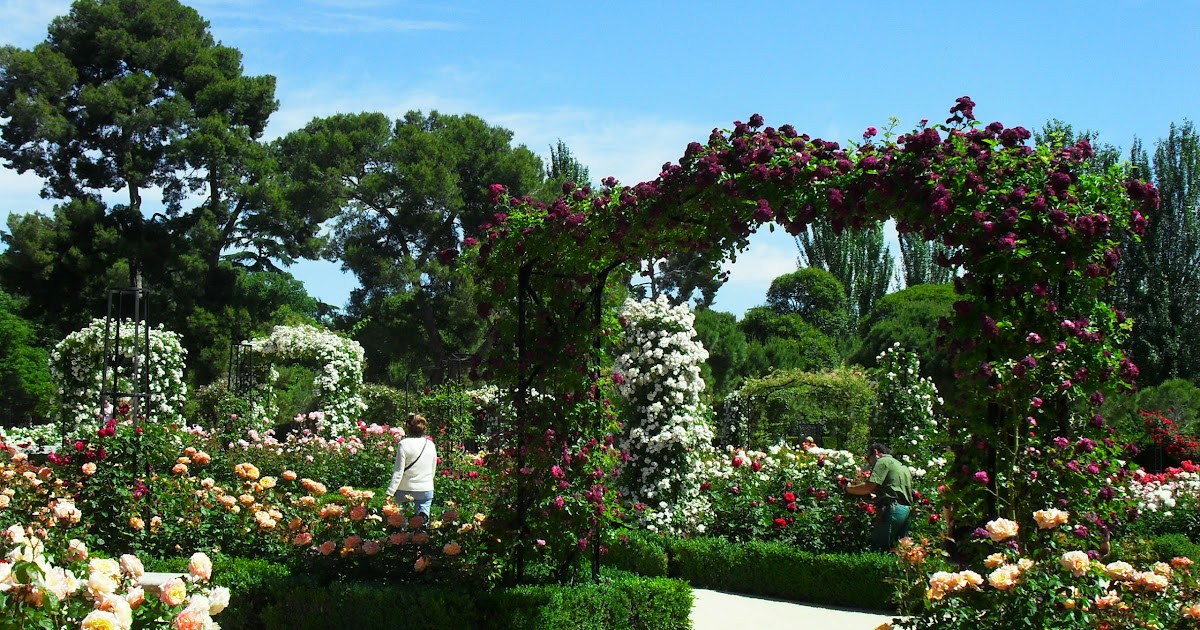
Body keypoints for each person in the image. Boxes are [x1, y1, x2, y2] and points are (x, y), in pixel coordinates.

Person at [843, 442, 914, 551]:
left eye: (868, 458)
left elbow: (868, 487)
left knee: (880, 548)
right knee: (901, 551)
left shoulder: (882, 461)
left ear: (876, 452)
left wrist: (849, 488)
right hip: (906, 510)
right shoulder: (900, 465)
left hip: (893, 510)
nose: (869, 463)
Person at [385, 413, 438, 528]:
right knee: (422, 523)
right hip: (426, 488)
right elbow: (433, 469)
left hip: (406, 489)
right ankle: (421, 541)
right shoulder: (430, 445)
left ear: (408, 428)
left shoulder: (404, 444)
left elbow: (398, 472)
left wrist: (390, 492)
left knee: (402, 523)